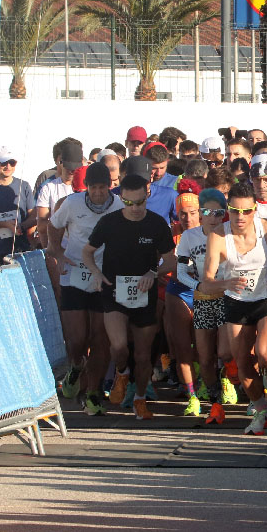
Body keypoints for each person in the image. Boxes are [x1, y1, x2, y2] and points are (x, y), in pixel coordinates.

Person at [199, 182, 267, 435]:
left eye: (246, 211)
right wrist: (225, 283)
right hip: (236, 301)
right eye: (234, 211)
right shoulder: (218, 237)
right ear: (227, 211)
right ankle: (261, 410)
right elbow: (206, 282)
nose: (240, 217)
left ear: (255, 210)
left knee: (265, 354)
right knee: (242, 364)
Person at [83, 174, 177, 420]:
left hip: (145, 294)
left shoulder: (157, 224)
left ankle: (140, 400)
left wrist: (153, 272)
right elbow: (87, 251)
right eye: (129, 203)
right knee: (119, 346)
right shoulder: (109, 222)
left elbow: (171, 260)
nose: (135, 208)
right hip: (114, 292)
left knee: (144, 355)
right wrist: (95, 272)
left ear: (147, 196)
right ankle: (122, 373)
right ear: (121, 199)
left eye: (140, 203)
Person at [47, 162, 123, 415]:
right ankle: (76, 367)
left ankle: (93, 392)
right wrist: (57, 251)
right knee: (78, 338)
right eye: (93, 188)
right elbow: (54, 225)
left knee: (100, 339)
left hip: (104, 276)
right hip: (75, 272)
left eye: (103, 187)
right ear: (86, 187)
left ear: (110, 186)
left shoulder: (120, 205)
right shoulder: (72, 203)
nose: (98, 193)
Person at [180, 189, 236, 424]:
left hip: (226, 298)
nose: (213, 217)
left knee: (224, 351)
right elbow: (181, 271)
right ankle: (214, 401)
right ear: (200, 213)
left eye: (218, 212)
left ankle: (229, 376)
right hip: (202, 300)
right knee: (204, 357)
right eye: (207, 212)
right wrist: (198, 284)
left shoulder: (230, 235)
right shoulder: (189, 237)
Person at [163, 192, 203, 416]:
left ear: (200, 213)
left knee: (204, 346)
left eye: (193, 213)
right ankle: (192, 395)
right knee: (182, 346)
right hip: (179, 291)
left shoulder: (210, 232)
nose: (188, 218)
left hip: (204, 293)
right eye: (183, 214)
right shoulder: (172, 235)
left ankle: (208, 385)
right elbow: (163, 262)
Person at [0, 146, 35, 264]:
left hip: (21, 251)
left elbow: (33, 217)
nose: (8, 166)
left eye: (12, 163)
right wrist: (4, 224)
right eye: (4, 162)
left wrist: (20, 226)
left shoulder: (24, 186)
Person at [35, 139, 84, 248]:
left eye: (75, 168)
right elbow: (42, 224)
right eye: (68, 166)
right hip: (60, 249)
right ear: (60, 162)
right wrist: (48, 251)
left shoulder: (88, 187)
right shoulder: (48, 188)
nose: (72, 171)